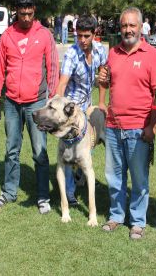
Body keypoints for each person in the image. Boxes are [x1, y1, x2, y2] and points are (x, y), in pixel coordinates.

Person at [0, 0, 59, 214]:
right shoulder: (8, 35)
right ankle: (9, 192)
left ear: (34, 11)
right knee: (11, 149)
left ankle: (42, 197)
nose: (26, 18)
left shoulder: (44, 35)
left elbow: (53, 68)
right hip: (11, 102)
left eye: (29, 13)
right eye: (22, 13)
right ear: (16, 12)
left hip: (37, 103)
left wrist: (53, 100)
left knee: (40, 151)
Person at [98, 7, 156, 239]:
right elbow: (104, 80)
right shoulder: (113, 52)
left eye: (132, 25)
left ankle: (137, 221)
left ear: (140, 27)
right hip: (114, 126)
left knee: (139, 178)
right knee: (114, 177)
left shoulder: (152, 55)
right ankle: (116, 216)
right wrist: (102, 102)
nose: (127, 30)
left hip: (139, 128)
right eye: (124, 25)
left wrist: (152, 127)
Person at [56, 15, 108, 205]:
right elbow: (62, 84)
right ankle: (69, 194)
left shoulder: (101, 51)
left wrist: (101, 103)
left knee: (86, 146)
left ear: (95, 34)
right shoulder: (71, 54)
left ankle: (80, 176)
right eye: (79, 36)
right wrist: (60, 110)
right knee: (68, 150)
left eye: (86, 36)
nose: (82, 40)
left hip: (88, 106)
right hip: (71, 109)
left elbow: (103, 78)